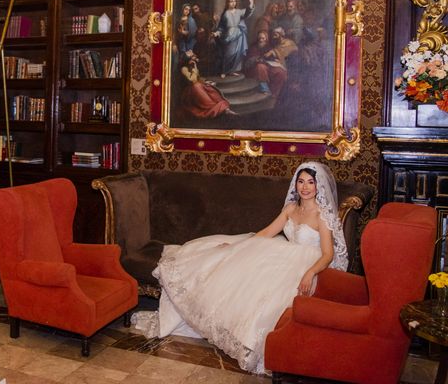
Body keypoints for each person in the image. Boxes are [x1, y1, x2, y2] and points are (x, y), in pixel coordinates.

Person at [132, 161, 347, 375]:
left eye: (311, 182)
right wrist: (237, 245)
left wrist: (310, 272)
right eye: (301, 181)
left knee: (269, 298)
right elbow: (266, 233)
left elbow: (328, 254)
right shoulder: (291, 209)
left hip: (307, 264)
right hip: (281, 254)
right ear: (295, 184)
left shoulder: (322, 215)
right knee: (230, 268)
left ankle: (260, 348)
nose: (305, 187)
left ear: (318, 186)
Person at [178, 50, 236, 119]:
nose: (194, 57)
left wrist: (206, 81)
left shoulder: (192, 66)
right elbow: (192, 80)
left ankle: (225, 109)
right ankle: (219, 109)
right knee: (199, 89)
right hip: (190, 91)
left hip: (197, 86)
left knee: (212, 92)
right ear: (188, 59)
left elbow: (198, 78)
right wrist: (194, 68)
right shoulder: (184, 69)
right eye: (191, 56)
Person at [213, 0, 255, 77]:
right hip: (229, 35)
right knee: (229, 53)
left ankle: (231, 71)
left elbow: (247, 12)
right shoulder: (225, 14)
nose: (233, 3)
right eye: (231, 1)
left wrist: (251, 3)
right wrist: (217, 32)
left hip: (238, 35)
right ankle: (224, 71)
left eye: (234, 1)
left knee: (237, 54)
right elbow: (221, 27)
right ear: (227, 3)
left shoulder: (239, 12)